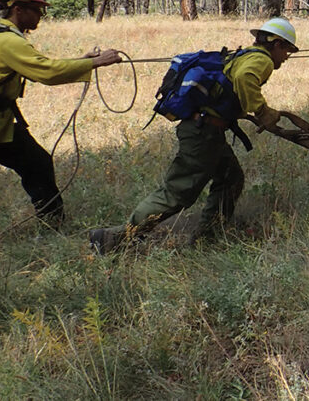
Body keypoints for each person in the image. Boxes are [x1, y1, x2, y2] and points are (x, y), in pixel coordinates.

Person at [89, 17, 298, 253]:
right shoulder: (261, 60)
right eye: (287, 51)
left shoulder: (245, 54)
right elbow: (244, 78)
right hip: (203, 133)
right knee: (177, 193)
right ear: (278, 44)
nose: (286, 57)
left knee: (230, 178)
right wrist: (263, 111)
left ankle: (207, 240)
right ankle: (113, 239)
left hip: (207, 130)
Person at [0, 0, 123, 226]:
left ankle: (53, 224)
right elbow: (47, 72)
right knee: (36, 164)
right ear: (18, 9)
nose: (41, 15)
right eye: (37, 9)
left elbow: (38, 66)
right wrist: (96, 62)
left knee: (37, 163)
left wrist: (80, 60)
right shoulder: (8, 42)